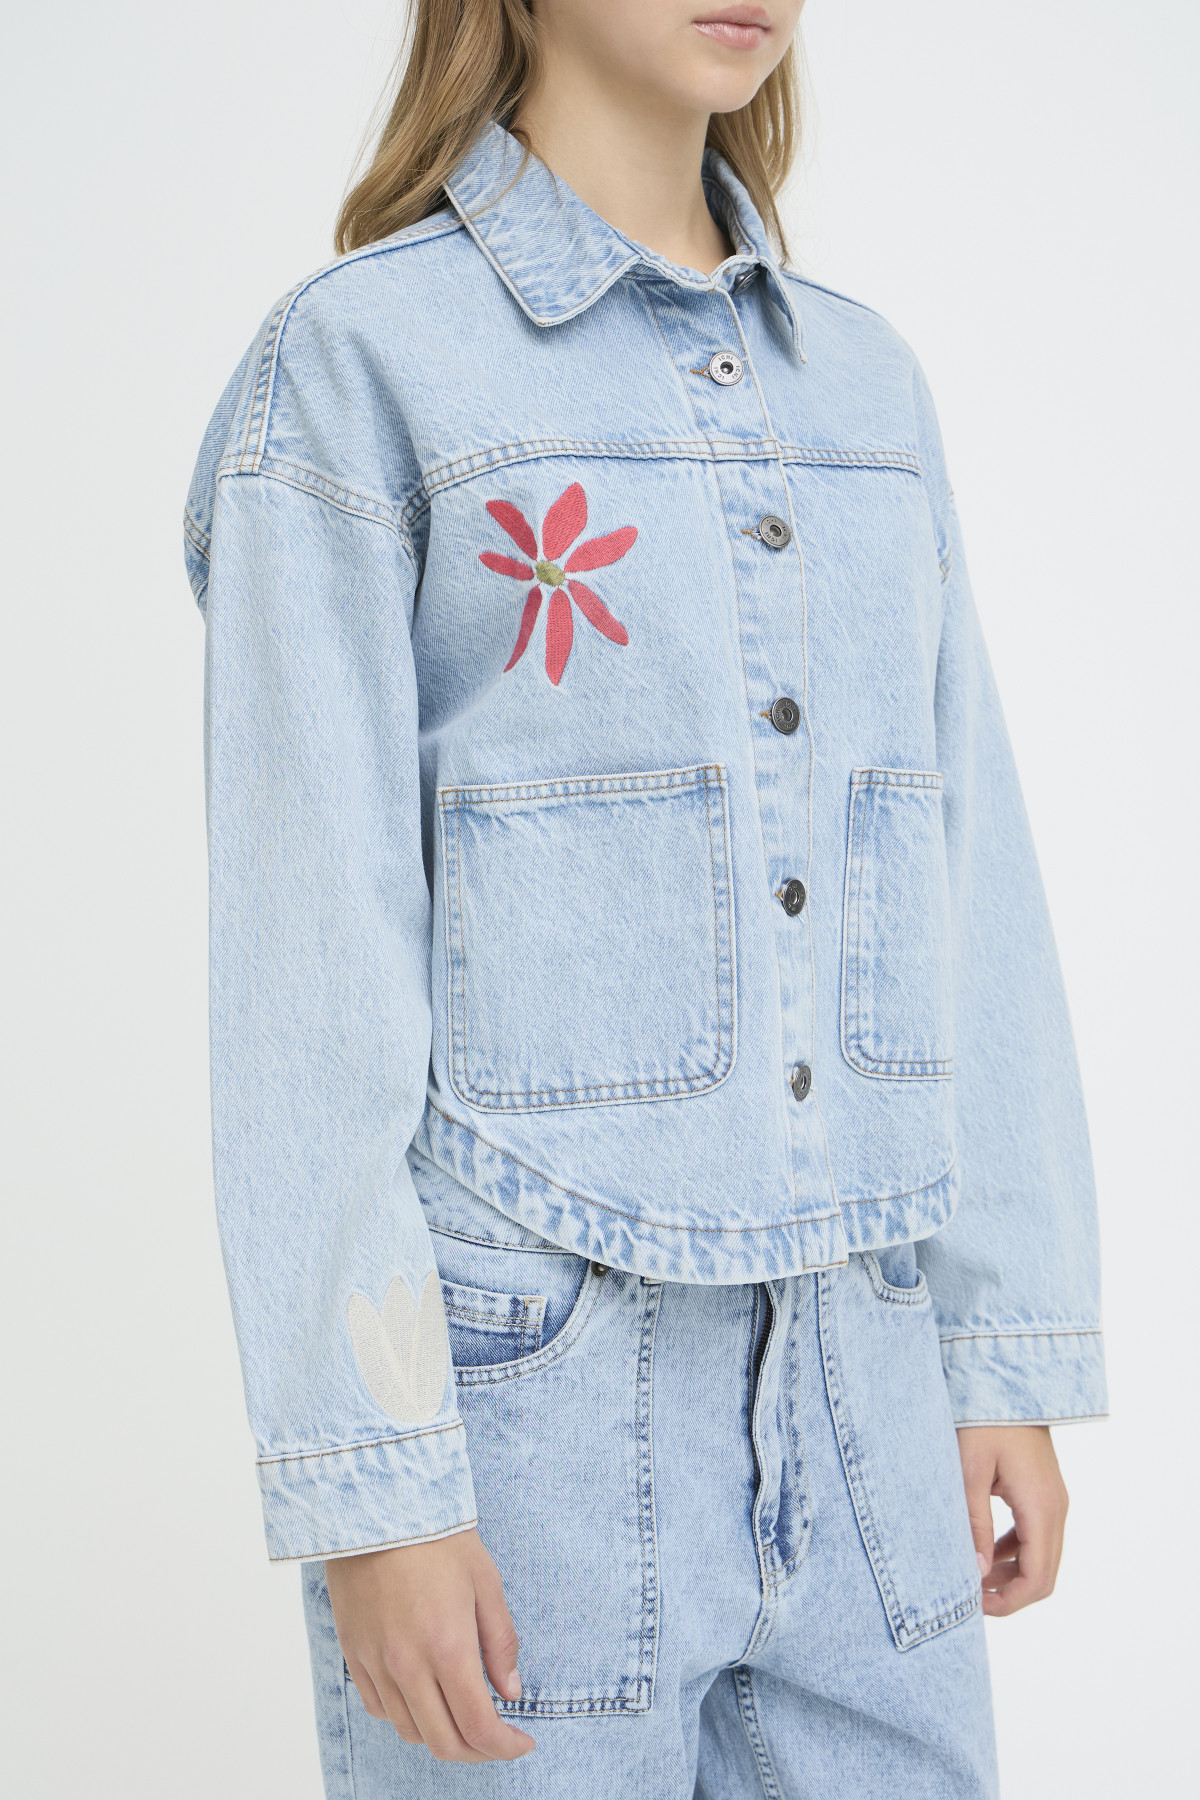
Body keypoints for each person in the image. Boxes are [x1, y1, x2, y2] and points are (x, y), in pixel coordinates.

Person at [183, 2, 1106, 1793]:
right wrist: (376, 1483)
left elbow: (964, 866)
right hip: (529, 1413)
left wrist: (1003, 1342)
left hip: (872, 1386)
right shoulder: (362, 368)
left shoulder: (871, 391)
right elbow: (310, 965)